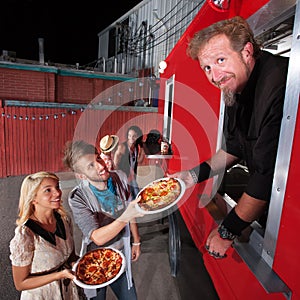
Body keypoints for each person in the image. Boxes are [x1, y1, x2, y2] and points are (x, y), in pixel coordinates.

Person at [168, 16, 289, 259]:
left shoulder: (277, 85)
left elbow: (267, 174)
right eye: (207, 68)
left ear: (246, 52)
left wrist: (227, 231)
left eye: (220, 60)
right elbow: (234, 148)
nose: (215, 76)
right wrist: (190, 176)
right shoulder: (235, 87)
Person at [62, 140, 143, 300]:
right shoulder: (77, 197)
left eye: (98, 158)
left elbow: (130, 208)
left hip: (121, 254)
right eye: (90, 166)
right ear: (81, 175)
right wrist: (126, 215)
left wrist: (136, 241)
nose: (101, 166)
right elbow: (97, 237)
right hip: (95, 260)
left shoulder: (119, 177)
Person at [9, 171, 82, 299]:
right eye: (48, 190)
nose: (58, 193)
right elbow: (20, 283)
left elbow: (70, 258)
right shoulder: (25, 235)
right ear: (33, 198)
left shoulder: (64, 220)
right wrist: (58, 275)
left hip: (68, 292)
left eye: (57, 187)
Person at [114, 125, 145, 198]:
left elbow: (139, 161)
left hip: (132, 177)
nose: (131, 138)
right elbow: (115, 163)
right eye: (129, 135)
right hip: (123, 177)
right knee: (128, 198)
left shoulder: (137, 147)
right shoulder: (122, 147)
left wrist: (143, 150)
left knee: (137, 196)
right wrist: (119, 177)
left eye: (134, 136)